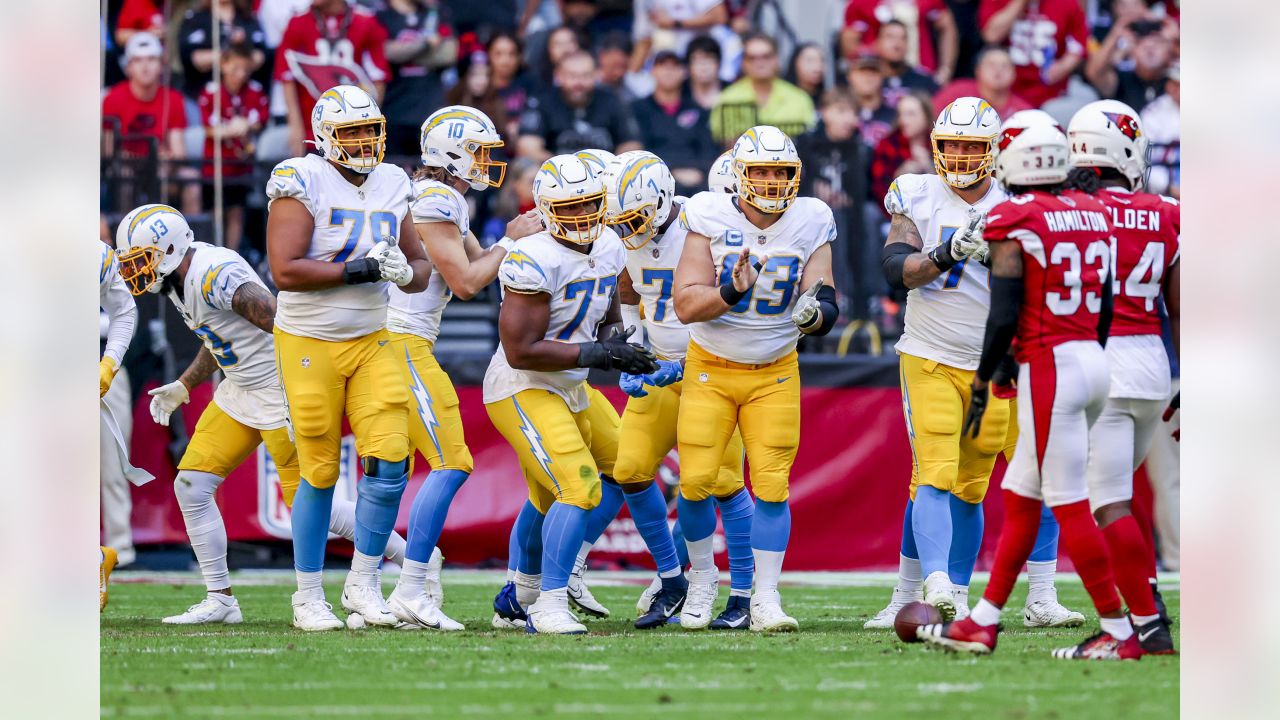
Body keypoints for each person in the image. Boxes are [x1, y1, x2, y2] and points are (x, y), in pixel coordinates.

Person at [114, 204, 411, 625]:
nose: (135, 272)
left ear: (168, 251)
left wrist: (307, 380)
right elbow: (219, 337)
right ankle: (221, 599)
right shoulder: (182, 279)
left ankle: (415, 561)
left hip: (276, 389)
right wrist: (185, 384)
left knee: (310, 503)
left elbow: (282, 320)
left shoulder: (214, 274)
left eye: (140, 261)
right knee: (192, 485)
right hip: (240, 390)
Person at [918, 121, 1143, 661]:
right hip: (1092, 355)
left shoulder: (1014, 214)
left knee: (1066, 502)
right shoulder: (1093, 211)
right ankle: (984, 621)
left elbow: (1003, 313)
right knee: (1021, 496)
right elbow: (1108, 301)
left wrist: (986, 375)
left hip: (1050, 365)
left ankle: (1121, 630)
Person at [869, 101, 1081, 628]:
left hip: (1012, 361)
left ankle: (1041, 596)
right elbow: (896, 268)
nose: (961, 156)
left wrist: (1010, 256)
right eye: (952, 145)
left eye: (972, 146)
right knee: (934, 476)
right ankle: (920, 591)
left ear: (995, 151)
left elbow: (1059, 275)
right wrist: (948, 253)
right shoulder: (915, 192)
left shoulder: (1023, 196)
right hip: (933, 355)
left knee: (1036, 476)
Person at [265, 84, 433, 631]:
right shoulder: (302, 177)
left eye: (369, 131)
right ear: (324, 138)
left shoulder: (392, 181)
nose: (363, 142)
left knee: (389, 464)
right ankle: (307, 595)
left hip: (371, 337)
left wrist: (410, 273)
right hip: (309, 341)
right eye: (351, 133)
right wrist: (360, 270)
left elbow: (418, 263)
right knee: (317, 472)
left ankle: (363, 583)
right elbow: (285, 270)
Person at [673, 125, 840, 631]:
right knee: (697, 480)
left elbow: (825, 291)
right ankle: (702, 582)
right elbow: (685, 304)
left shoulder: (813, 218)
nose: (771, 182)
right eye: (761, 171)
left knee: (771, 486)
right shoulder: (709, 214)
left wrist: (818, 313)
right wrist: (731, 290)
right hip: (712, 367)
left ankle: (765, 598)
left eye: (780, 172)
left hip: (775, 370)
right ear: (739, 176)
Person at [482, 154, 657, 634]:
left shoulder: (609, 243)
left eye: (589, 206)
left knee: (629, 462)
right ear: (544, 208)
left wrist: (620, 343)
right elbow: (521, 351)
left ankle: (519, 596)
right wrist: (597, 354)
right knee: (578, 487)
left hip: (572, 386)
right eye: (569, 208)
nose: (581, 218)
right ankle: (550, 602)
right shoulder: (531, 256)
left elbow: (607, 314)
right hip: (523, 387)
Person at [383, 105, 539, 632]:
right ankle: (410, 589)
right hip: (401, 340)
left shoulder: (440, 196)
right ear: (451, 151)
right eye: (478, 150)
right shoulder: (435, 197)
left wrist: (525, 242)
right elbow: (471, 279)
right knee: (451, 461)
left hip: (397, 340)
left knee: (387, 475)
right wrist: (514, 238)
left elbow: (488, 259)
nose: (486, 161)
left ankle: (375, 589)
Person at [600, 151, 754, 630]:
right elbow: (628, 288)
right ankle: (673, 578)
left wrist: (687, 362)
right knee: (630, 469)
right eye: (619, 222)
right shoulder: (630, 238)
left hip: (712, 367)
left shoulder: (702, 224)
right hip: (661, 369)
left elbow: (737, 304)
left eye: (634, 220)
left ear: (663, 200)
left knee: (723, 482)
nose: (628, 232)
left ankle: (744, 592)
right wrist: (631, 340)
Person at [1068, 99, 1179, 653]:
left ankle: (1140, 624)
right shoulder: (1171, 212)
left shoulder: (1072, 211)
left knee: (1104, 503)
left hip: (1097, 364)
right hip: (1154, 368)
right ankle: (1148, 604)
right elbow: (1181, 308)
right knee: (1119, 497)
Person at [274, 0, 390, 157]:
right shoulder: (298, 22)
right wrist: (296, 126)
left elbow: (378, 78)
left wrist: (369, 124)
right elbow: (287, 77)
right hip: (312, 127)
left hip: (354, 127)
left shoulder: (365, 21)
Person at [101, 32, 193, 211]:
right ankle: (124, 234)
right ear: (128, 67)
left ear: (161, 65)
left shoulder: (173, 99)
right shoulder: (112, 98)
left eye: (151, 59)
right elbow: (108, 151)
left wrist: (168, 159)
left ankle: (187, 236)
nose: (145, 66)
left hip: (162, 169)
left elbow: (179, 152)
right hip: (125, 169)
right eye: (138, 60)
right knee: (124, 176)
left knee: (190, 178)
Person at [197, 44, 270, 251]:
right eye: (236, 68)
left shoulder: (255, 91)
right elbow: (208, 129)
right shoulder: (212, 92)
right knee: (215, 213)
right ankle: (210, 252)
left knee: (237, 212)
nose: (240, 74)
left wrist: (247, 125)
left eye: (245, 69)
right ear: (224, 65)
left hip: (241, 166)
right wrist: (230, 129)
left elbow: (261, 121)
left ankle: (232, 254)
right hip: (215, 165)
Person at [99, 240, 139, 611]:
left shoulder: (95, 256)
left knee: (111, 465)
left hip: (97, 365)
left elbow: (124, 311)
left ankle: (118, 548)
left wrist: (109, 362)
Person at [516, 51, 643, 160]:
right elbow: (527, 146)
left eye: (585, 76)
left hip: (606, 176)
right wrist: (565, 169)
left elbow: (631, 145)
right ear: (558, 75)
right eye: (572, 75)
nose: (578, 83)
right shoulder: (542, 102)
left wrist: (612, 169)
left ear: (596, 75)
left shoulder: (612, 100)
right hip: (555, 177)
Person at [630, 50, 720, 197]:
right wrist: (672, 170)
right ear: (652, 71)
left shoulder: (699, 111)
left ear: (684, 72)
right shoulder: (637, 109)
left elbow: (709, 149)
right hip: (654, 183)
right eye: (662, 66)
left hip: (698, 182)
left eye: (674, 67)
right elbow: (639, 149)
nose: (668, 72)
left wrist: (700, 171)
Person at [377, 0, 458, 157]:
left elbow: (449, 53)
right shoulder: (381, 16)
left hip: (430, 114)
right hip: (393, 113)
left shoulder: (436, 13)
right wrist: (425, 45)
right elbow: (385, 52)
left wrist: (404, 53)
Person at [978, 0, 1088, 108]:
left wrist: (1063, 66)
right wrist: (1019, 3)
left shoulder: (1067, 3)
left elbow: (1078, 44)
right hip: (1006, 90)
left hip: (1050, 91)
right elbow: (991, 36)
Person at [709, 34, 815, 145]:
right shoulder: (727, 99)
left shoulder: (799, 99)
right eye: (752, 58)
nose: (760, 63)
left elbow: (808, 139)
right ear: (743, 63)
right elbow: (720, 142)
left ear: (776, 59)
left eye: (766, 56)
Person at [840, 0, 958, 83]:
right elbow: (849, 44)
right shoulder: (862, 3)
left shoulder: (927, 2)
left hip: (921, 75)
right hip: (878, 78)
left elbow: (947, 26)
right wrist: (876, 50)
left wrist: (945, 70)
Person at [178, 0, 269, 97]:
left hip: (244, 99)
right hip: (202, 96)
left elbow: (261, 56)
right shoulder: (196, 18)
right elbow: (193, 58)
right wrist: (226, 51)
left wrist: (243, 47)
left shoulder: (247, 17)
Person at [1084, 22, 1174, 114]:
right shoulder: (1122, 80)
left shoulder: (1176, 83)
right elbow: (1094, 73)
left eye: (1158, 42)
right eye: (1141, 42)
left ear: (1171, 51)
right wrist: (1116, 33)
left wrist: (1176, 39)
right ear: (1132, 50)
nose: (1149, 47)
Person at [933, 46, 1032, 124]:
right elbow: (931, 118)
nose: (998, 70)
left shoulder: (1023, 112)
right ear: (978, 70)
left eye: (1005, 66)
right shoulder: (957, 94)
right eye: (991, 65)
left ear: (1014, 74)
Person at [875, 19, 939, 108]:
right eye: (890, 37)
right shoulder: (867, 78)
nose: (897, 44)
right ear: (878, 42)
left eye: (903, 38)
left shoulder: (924, 81)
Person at [1140, 61, 1179, 198]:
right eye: (1173, 82)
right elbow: (1145, 160)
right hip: (1165, 193)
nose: (1175, 88)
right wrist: (1168, 187)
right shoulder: (1153, 113)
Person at [488, 32, 536, 142]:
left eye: (511, 54)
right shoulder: (479, 86)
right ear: (488, 54)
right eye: (498, 54)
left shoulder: (531, 84)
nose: (505, 61)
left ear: (520, 57)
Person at [846, 52, 896, 149]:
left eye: (873, 72)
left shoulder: (896, 115)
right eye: (862, 72)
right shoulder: (841, 114)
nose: (868, 78)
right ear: (849, 76)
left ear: (882, 76)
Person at [686, 35, 724, 111]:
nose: (703, 67)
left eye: (709, 60)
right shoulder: (678, 93)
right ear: (689, 65)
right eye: (697, 61)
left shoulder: (733, 92)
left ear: (718, 63)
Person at [786, 42, 827, 107]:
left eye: (822, 60)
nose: (818, 67)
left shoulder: (828, 97)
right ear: (795, 63)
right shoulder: (783, 95)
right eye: (810, 61)